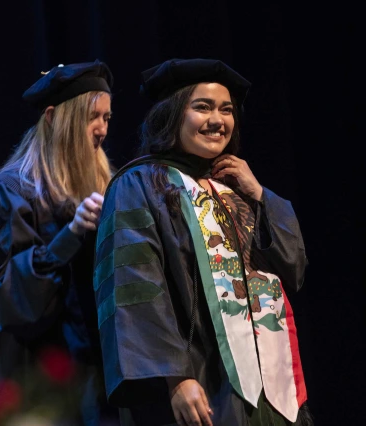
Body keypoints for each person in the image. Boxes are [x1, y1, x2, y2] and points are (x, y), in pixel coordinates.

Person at [93, 58, 313, 426]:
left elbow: (293, 269)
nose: (218, 120)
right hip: (201, 383)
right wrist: (175, 376)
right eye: (203, 107)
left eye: (226, 110)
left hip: (274, 388)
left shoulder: (236, 186)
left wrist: (260, 196)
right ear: (172, 115)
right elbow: (138, 287)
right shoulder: (141, 185)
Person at [0, 60, 120, 426]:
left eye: (107, 118)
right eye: (92, 117)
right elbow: (5, 301)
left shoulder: (109, 187)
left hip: (98, 382)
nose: (101, 130)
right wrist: (67, 239)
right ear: (53, 117)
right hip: (32, 383)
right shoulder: (8, 192)